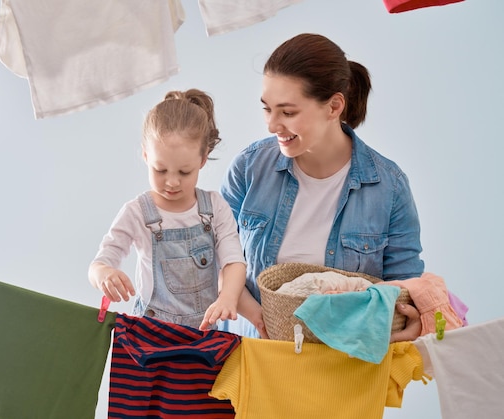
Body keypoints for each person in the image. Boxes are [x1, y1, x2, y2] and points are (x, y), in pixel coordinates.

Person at [220, 33, 425, 341]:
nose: (272, 124)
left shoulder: (389, 187)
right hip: (252, 359)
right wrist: (261, 319)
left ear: (334, 107)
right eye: (267, 108)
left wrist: (409, 323)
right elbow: (215, 256)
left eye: (288, 112)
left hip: (343, 370)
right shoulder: (249, 168)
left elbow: (404, 287)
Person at [89, 89, 248, 331]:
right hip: (150, 336)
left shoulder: (215, 208)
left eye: (185, 172)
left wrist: (227, 297)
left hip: (202, 336)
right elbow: (98, 264)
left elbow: (234, 261)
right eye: (160, 170)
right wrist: (104, 274)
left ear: (203, 159)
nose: (172, 182)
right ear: (145, 154)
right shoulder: (137, 212)